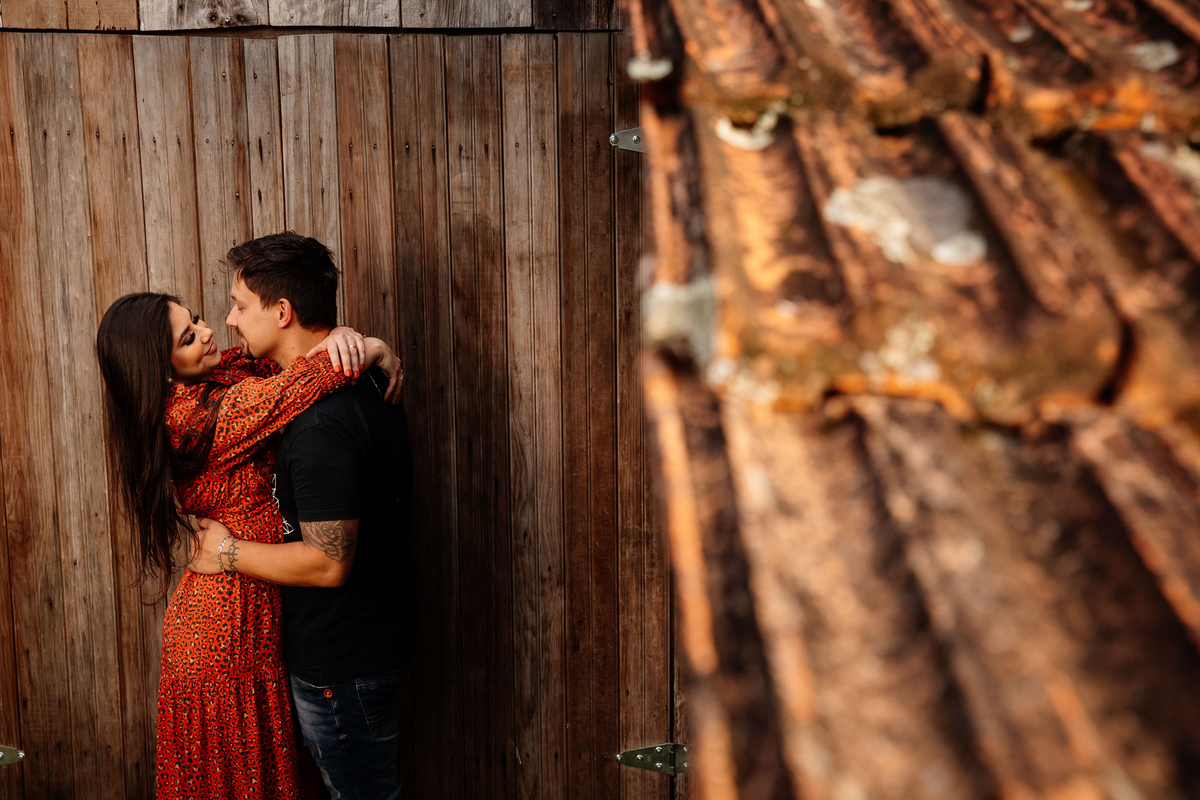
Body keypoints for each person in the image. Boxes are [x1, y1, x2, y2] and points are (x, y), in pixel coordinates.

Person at [96, 287, 402, 800]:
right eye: (189, 336)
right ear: (161, 369)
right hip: (223, 633)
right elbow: (291, 388)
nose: (210, 330)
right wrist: (371, 351)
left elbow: (284, 362)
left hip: (251, 611)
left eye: (195, 319)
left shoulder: (219, 375)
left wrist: (349, 339)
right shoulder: (189, 417)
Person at [188, 232, 416, 800]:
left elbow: (327, 563)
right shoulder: (357, 377)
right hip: (368, 647)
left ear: (282, 311)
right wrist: (371, 345)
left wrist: (226, 553)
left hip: (341, 666)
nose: (230, 321)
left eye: (240, 305)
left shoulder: (320, 426)